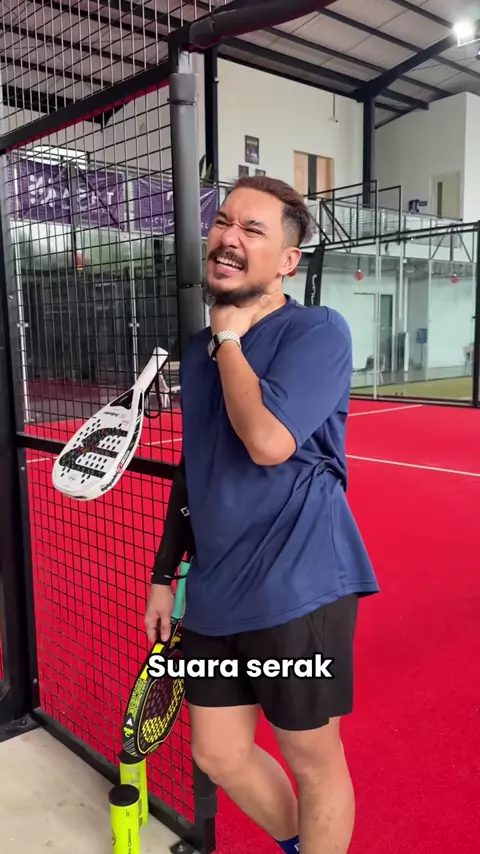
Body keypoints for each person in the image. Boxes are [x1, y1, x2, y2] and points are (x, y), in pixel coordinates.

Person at [145, 175, 379, 854]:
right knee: (218, 753)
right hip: (216, 590)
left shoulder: (317, 331)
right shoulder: (200, 350)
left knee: (311, 757)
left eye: (253, 230)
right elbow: (194, 469)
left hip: (298, 585)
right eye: (223, 222)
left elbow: (269, 441)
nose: (229, 238)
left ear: (287, 261)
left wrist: (229, 342)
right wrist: (165, 574)